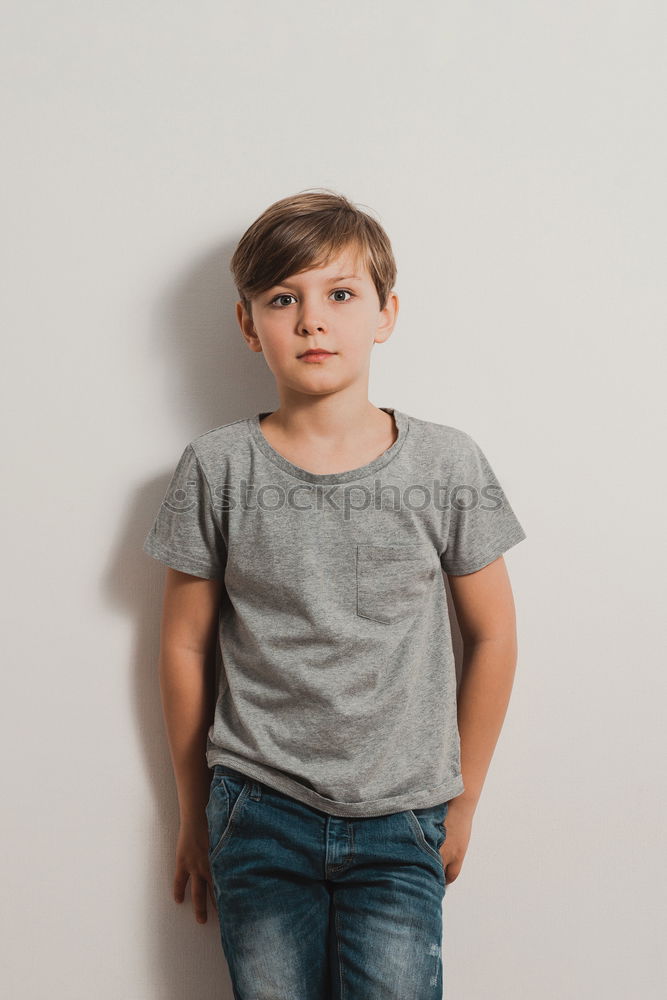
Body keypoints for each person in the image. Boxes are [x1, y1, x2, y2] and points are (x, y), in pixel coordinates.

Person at [142, 188, 527, 999]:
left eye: (340, 295)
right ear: (249, 325)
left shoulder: (447, 463)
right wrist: (193, 810)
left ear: (386, 314)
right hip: (257, 808)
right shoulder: (217, 467)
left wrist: (464, 804)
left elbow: (492, 635)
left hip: (402, 817)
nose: (312, 320)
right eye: (283, 299)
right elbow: (182, 643)